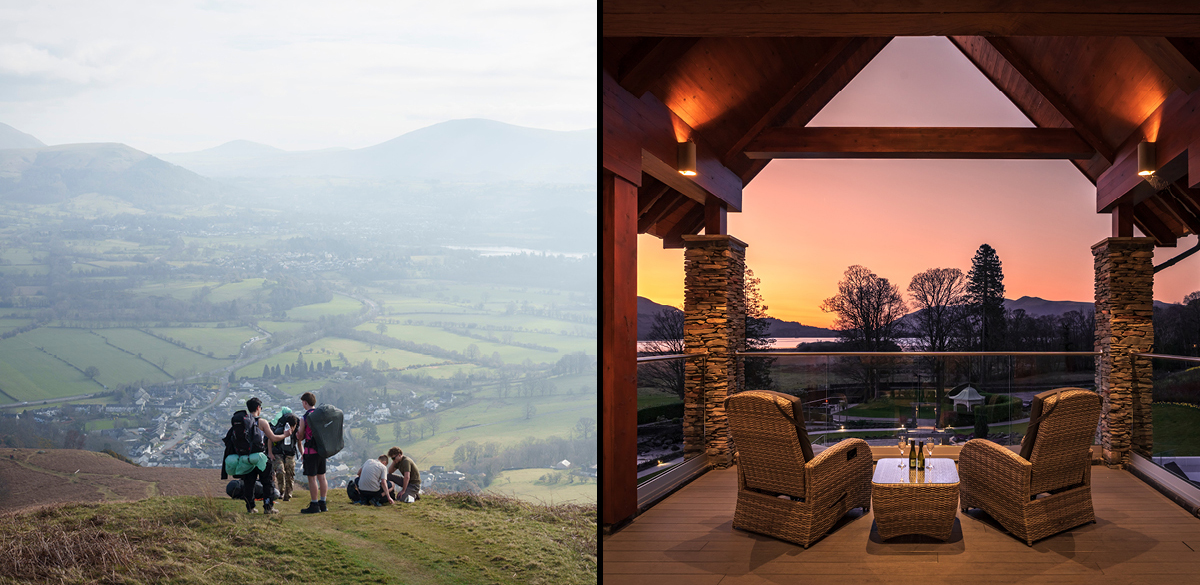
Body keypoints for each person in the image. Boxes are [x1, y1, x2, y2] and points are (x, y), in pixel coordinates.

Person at [227, 397, 293, 514]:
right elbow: (273, 438)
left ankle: (250, 507)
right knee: (267, 482)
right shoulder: (262, 422)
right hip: (260, 457)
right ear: (258, 408)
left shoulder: (243, 422)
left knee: (249, 483)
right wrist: (285, 434)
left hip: (246, 457)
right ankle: (268, 507)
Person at [295, 392, 328, 514]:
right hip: (322, 450)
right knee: (322, 477)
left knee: (312, 478)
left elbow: (301, 436)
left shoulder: (305, 418)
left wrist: (298, 435)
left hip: (311, 451)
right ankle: (323, 503)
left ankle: (314, 504)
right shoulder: (321, 415)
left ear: (305, 402)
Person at [270, 406, 301, 501]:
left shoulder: (297, 431)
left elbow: (299, 443)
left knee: (290, 473)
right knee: (280, 471)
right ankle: (281, 491)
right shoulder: (279, 430)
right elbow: (271, 439)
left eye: (293, 426)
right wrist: (270, 453)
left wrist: (302, 454)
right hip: (278, 452)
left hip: (290, 453)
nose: (291, 428)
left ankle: (288, 494)